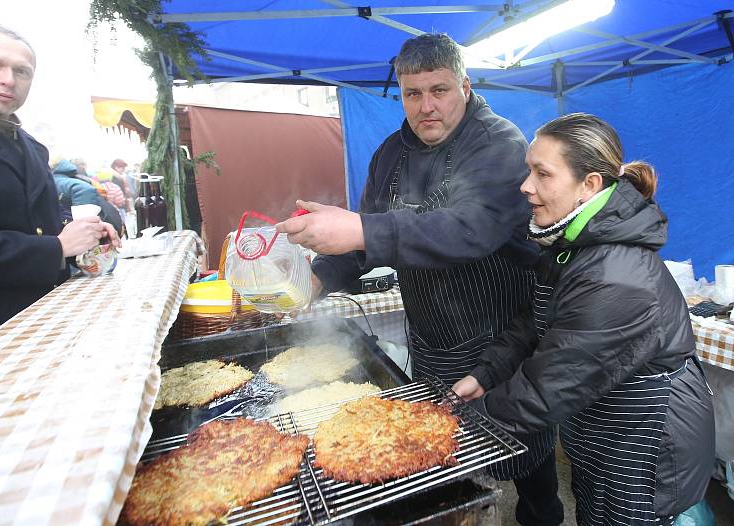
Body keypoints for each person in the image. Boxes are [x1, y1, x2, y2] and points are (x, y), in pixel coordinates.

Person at [277, 33, 563, 525]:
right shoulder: (391, 154)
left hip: (505, 340)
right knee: (444, 462)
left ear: (465, 87)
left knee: (525, 459)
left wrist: (358, 226)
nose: (427, 107)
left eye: (440, 90)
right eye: (413, 94)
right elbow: (364, 241)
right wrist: (319, 279)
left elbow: (469, 230)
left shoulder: (499, 143)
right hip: (432, 340)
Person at [453, 113, 715, 525]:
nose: (526, 186)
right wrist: (487, 373)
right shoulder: (573, 241)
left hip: (645, 446)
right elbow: (535, 320)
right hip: (600, 426)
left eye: (542, 174)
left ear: (589, 185)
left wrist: (450, 433)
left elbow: (549, 384)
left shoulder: (618, 276)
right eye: (528, 171)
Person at [0, 22, 119, 363]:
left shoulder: (29, 145)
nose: (8, 79)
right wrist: (57, 247)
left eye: (22, 71)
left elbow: (35, 216)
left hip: (48, 321)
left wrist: (82, 231)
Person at [52, 159, 124, 235]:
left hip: (99, 231)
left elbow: (84, 190)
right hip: (109, 221)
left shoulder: (57, 181)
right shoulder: (73, 177)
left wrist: (82, 229)